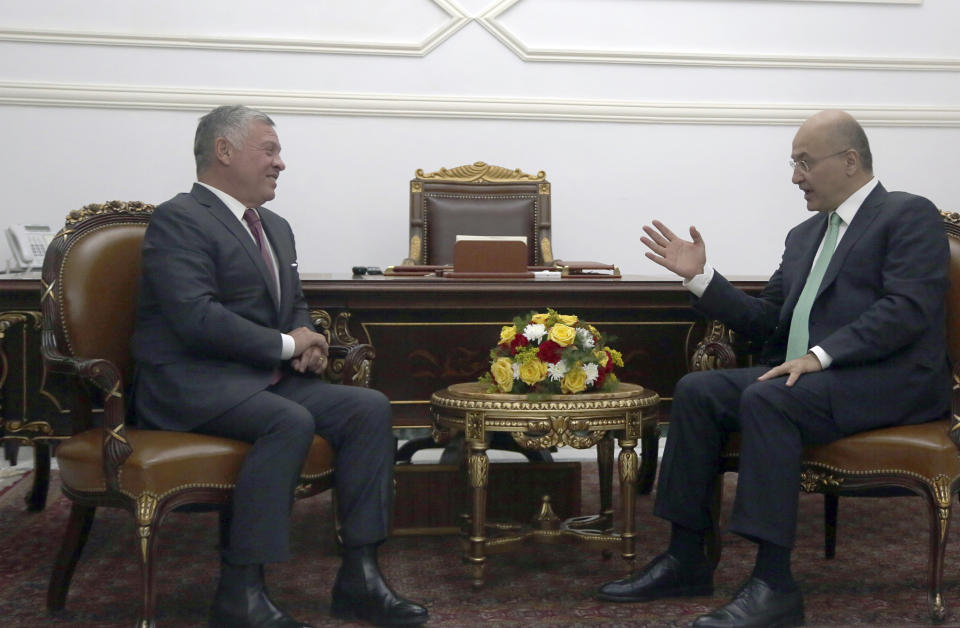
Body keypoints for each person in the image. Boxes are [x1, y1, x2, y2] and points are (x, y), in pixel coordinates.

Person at [597, 110, 950, 627]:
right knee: (698, 391)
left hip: (889, 382)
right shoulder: (805, 235)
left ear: (850, 161)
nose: (794, 177)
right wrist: (702, 279)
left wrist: (819, 356)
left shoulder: (907, 215)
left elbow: (907, 309)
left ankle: (774, 583)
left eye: (804, 163)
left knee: (769, 397)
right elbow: (767, 324)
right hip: (810, 378)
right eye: (793, 163)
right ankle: (687, 558)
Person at [131, 105, 429, 628]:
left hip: (261, 381)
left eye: (278, 152)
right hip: (192, 386)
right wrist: (288, 345)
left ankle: (361, 576)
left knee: (368, 408)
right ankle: (240, 591)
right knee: (288, 421)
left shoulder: (275, 225)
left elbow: (291, 301)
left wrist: (308, 337)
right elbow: (195, 318)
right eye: (269, 150)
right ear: (224, 151)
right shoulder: (179, 218)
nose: (280, 163)